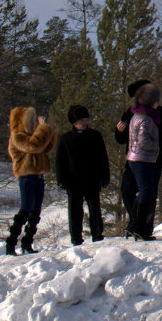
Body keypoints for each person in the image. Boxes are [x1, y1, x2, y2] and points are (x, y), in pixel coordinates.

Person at [114, 79, 162, 238]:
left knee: (149, 192)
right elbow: (122, 139)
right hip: (134, 159)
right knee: (127, 189)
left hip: (154, 159)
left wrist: (157, 130)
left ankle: (144, 228)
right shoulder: (130, 113)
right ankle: (135, 221)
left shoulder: (160, 112)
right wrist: (119, 132)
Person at [54, 104, 110, 245]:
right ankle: (76, 238)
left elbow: (103, 157)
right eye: (81, 120)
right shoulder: (65, 139)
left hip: (92, 179)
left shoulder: (95, 136)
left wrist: (105, 176)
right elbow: (60, 162)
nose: (84, 122)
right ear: (74, 122)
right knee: (75, 212)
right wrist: (61, 180)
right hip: (73, 181)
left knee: (95, 209)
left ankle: (97, 235)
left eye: (86, 119)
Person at [5, 106, 58, 255]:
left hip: (38, 177)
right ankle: (11, 244)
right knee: (25, 210)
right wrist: (44, 128)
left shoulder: (33, 136)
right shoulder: (17, 137)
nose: (33, 124)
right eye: (30, 121)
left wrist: (51, 131)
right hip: (27, 177)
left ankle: (27, 243)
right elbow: (34, 146)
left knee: (35, 212)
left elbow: (45, 148)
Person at [125, 83, 162, 241]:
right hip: (142, 158)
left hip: (137, 158)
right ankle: (139, 228)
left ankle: (134, 226)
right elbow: (143, 141)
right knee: (146, 191)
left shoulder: (137, 115)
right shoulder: (146, 119)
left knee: (144, 191)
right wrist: (156, 145)